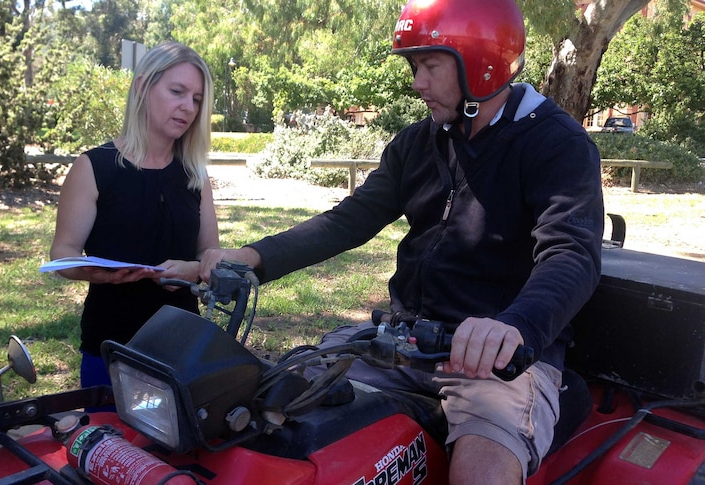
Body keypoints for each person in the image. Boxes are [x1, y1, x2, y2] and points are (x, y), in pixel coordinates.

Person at [200, 0, 604, 483]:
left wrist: (513, 328)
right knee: (268, 413)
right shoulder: (418, 142)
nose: (417, 82)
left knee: (482, 474)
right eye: (415, 66)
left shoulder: (556, 144)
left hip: (498, 359)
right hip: (402, 340)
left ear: (483, 62)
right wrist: (252, 258)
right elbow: (350, 220)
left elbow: (571, 253)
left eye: (430, 65)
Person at [50, 41, 219, 392]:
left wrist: (193, 270)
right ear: (143, 87)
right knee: (112, 446)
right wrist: (91, 271)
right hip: (109, 346)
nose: (187, 107)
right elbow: (62, 253)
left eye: (197, 99)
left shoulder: (195, 176)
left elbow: (209, 255)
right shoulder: (93, 167)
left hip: (180, 346)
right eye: (177, 91)